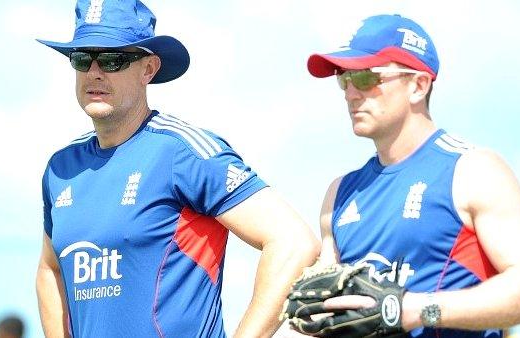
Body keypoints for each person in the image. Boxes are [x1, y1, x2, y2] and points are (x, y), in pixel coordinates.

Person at [34, 0, 320, 337]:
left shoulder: (183, 153)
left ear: (148, 69)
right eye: (82, 58)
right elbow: (50, 270)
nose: (95, 72)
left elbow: (295, 242)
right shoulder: (61, 167)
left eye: (113, 59)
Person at [291, 13, 520, 338]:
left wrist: (410, 310)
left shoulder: (474, 170)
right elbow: (324, 316)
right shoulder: (339, 194)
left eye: (365, 78)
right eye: (344, 78)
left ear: (418, 85)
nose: (350, 93)